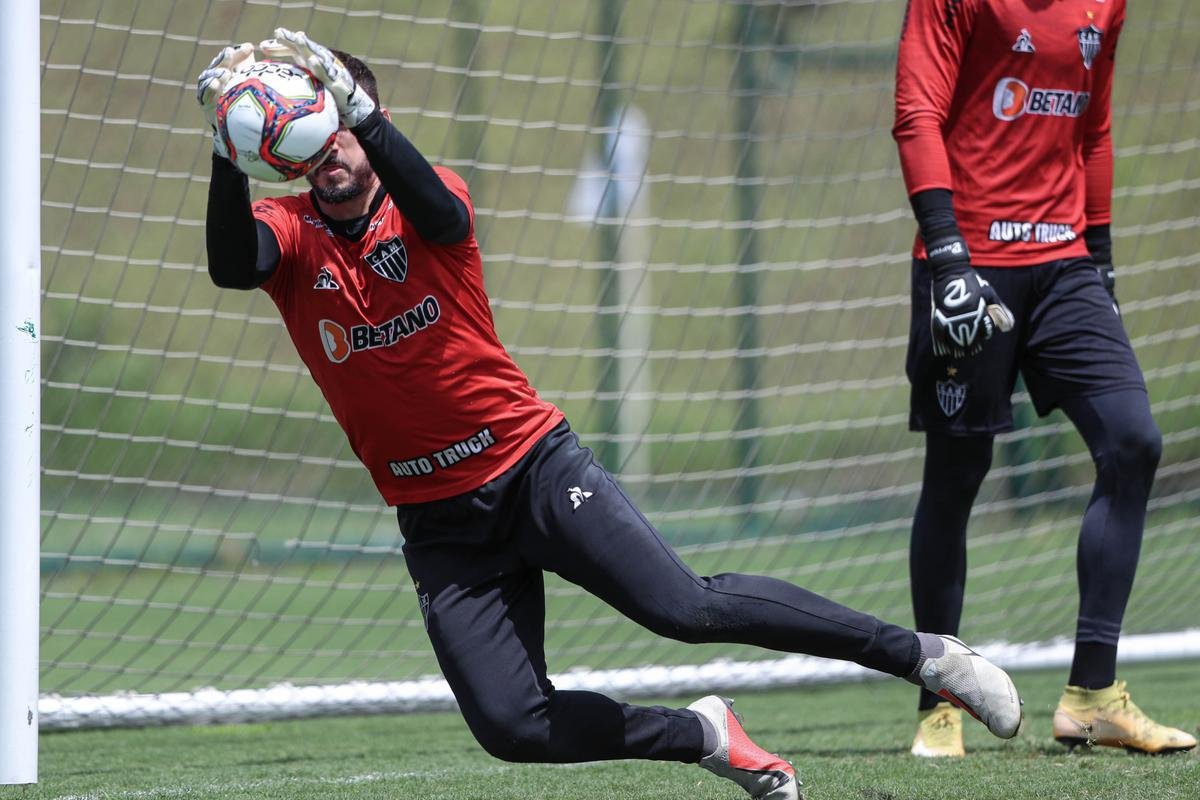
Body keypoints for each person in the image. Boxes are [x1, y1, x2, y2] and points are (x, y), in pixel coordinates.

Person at [198, 29, 1023, 799]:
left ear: (360, 124)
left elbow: (443, 213)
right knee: (512, 726)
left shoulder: (428, 198)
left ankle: (924, 657)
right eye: (310, 133)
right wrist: (227, 149)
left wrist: (365, 113)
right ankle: (703, 734)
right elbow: (234, 266)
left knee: (686, 610)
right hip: (438, 522)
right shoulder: (291, 231)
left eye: (337, 126)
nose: (328, 151)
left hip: (532, 470)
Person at [892, 0, 1195, 758]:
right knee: (957, 472)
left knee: (1134, 443)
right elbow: (916, 112)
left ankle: (1092, 697)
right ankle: (942, 702)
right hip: (968, 258)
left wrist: (1103, 254)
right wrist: (948, 254)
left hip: (1065, 264)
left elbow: (1093, 128)